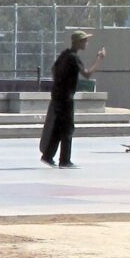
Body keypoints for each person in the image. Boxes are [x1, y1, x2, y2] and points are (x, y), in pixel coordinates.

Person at [40, 30, 105, 168]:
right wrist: (99, 60)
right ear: (78, 42)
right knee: (68, 128)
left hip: (57, 95)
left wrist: (59, 82)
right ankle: (65, 160)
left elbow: (53, 69)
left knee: (58, 127)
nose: (86, 43)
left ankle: (47, 156)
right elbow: (86, 74)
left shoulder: (64, 55)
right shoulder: (73, 58)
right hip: (66, 97)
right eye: (84, 41)